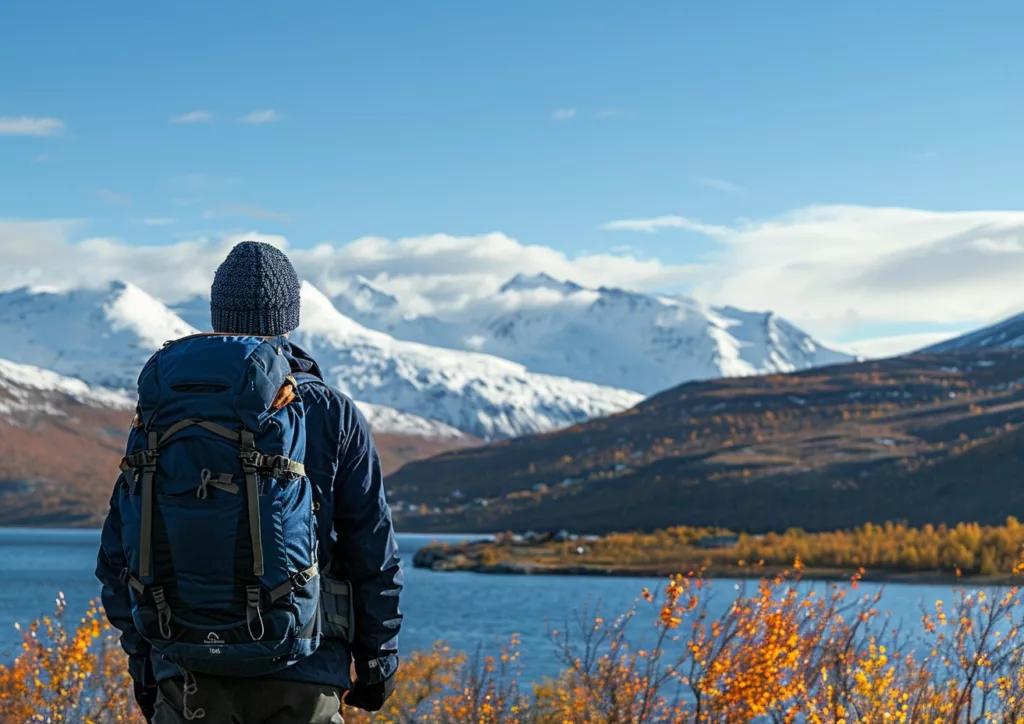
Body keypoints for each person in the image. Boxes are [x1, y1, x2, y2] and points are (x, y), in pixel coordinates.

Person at [96, 241, 403, 724]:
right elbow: (373, 551)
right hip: (304, 666)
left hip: (185, 664)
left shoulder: (163, 410)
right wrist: (376, 660)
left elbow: (118, 551)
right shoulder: (329, 410)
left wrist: (147, 659)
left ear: (218, 316)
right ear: (290, 316)